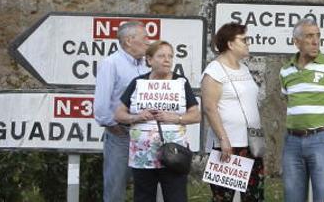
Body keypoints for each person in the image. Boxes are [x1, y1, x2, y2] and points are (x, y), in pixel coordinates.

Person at [115, 40, 200, 202]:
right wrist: (137, 117)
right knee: (143, 197)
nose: (167, 60)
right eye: (161, 56)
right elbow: (118, 114)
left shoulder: (180, 83)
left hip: (174, 154)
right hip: (143, 155)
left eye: (170, 56)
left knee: (176, 197)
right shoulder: (138, 83)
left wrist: (175, 118)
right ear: (149, 60)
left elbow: (196, 115)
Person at [281, 18, 324, 202]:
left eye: (318, 36)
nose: (315, 41)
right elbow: (290, 101)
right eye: (309, 36)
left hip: (322, 139)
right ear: (297, 42)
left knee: (323, 195)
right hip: (292, 142)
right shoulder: (285, 71)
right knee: (292, 196)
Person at [202, 23, 265, 201]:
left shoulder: (244, 68)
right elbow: (209, 107)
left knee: (254, 196)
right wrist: (223, 139)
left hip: (251, 143)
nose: (248, 43)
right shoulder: (213, 71)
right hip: (228, 145)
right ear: (230, 44)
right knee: (225, 197)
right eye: (244, 40)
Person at [94, 20, 150, 202]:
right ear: (128, 41)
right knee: (116, 188)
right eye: (144, 38)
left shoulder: (145, 65)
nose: (149, 42)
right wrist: (113, 126)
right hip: (121, 134)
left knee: (145, 187)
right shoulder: (111, 63)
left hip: (145, 134)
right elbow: (101, 103)